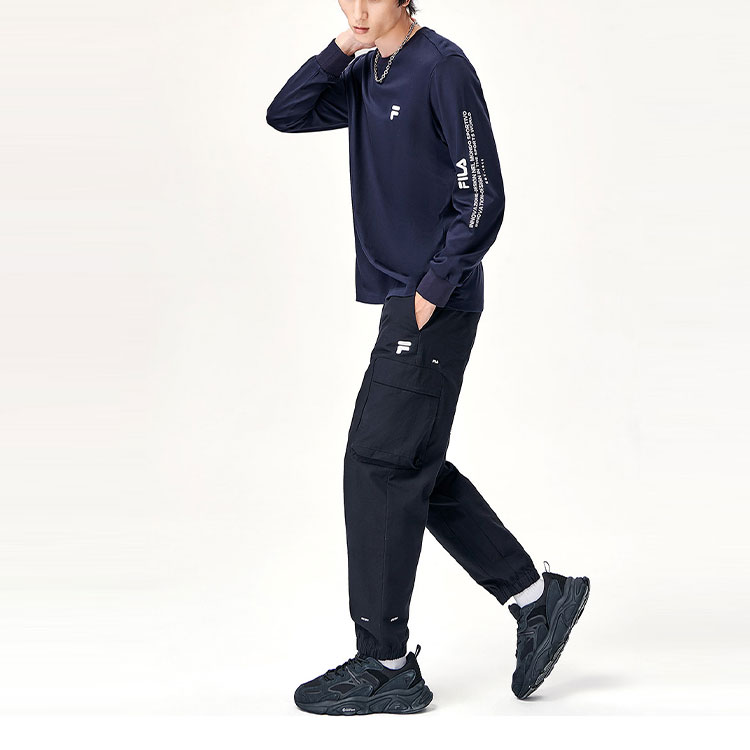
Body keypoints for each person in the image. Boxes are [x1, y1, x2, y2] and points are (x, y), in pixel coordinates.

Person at [266, 0, 590, 715]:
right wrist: (341, 47)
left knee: (376, 465)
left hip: (431, 303)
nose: (357, 6)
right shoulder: (367, 74)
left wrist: (432, 290)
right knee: (408, 462)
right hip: (404, 299)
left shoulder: (442, 68)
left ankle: (386, 665)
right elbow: (286, 113)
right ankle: (538, 599)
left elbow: (483, 195)